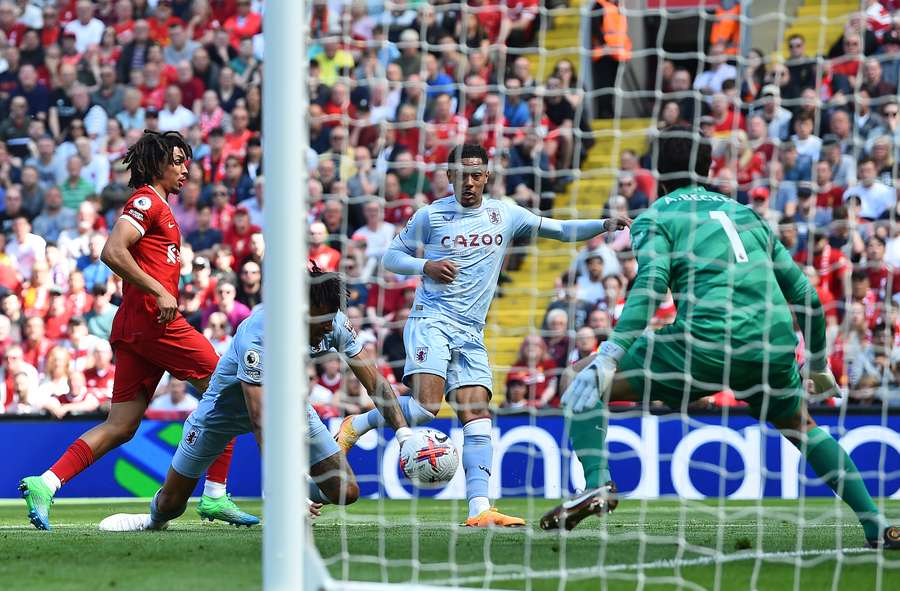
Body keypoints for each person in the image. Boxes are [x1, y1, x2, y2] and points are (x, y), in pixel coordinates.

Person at [539, 125, 900, 551]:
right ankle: (877, 524)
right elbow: (804, 293)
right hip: (771, 343)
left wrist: (610, 353)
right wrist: (818, 363)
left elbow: (652, 283)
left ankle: (598, 484)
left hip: (705, 341)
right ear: (709, 167)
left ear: (658, 170)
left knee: (580, 378)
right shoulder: (748, 214)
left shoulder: (656, 216)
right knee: (802, 427)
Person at [335, 144, 629, 527]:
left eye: (477, 175)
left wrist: (602, 225)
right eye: (462, 174)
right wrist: (426, 265)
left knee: (478, 419)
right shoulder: (431, 215)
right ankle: (355, 426)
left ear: (487, 176)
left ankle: (480, 509)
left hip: (471, 331)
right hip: (432, 321)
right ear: (449, 175)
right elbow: (392, 257)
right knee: (426, 409)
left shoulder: (504, 214)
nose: (470, 182)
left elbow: (557, 230)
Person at [18, 131, 255, 530]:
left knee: (121, 425)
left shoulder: (159, 206)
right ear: (157, 163)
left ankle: (45, 482)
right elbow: (112, 251)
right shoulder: (146, 202)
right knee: (229, 391)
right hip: (154, 322)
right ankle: (214, 496)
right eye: (178, 160)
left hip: (135, 325)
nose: (185, 168)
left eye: (186, 161)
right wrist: (160, 290)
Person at [96, 270, 412, 532]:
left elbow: (376, 384)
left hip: (288, 406)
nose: (328, 330)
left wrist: (404, 435)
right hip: (223, 413)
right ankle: (152, 520)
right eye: (321, 322)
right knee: (171, 505)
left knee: (347, 491)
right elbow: (259, 418)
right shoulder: (259, 332)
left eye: (332, 321)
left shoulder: (335, 324)